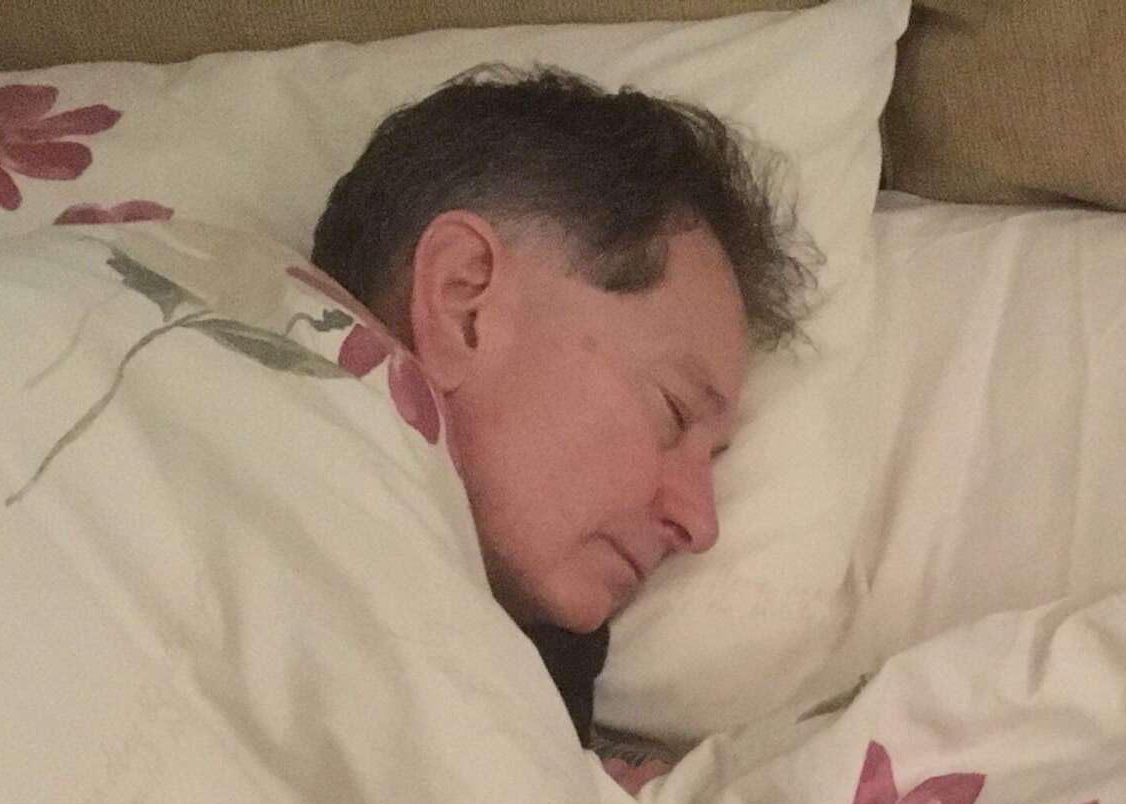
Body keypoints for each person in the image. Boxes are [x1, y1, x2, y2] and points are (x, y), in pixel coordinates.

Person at [310, 70, 816, 738]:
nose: (700, 524)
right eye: (671, 412)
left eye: (711, 459)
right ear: (464, 302)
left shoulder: (532, 699)